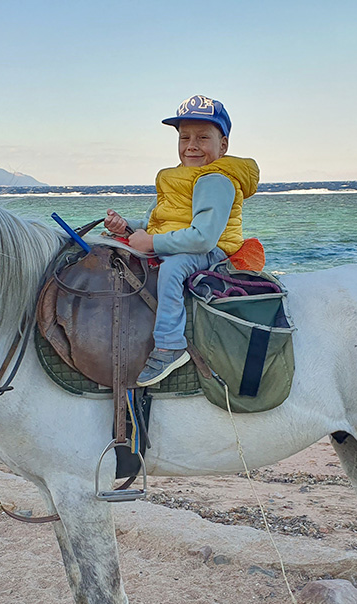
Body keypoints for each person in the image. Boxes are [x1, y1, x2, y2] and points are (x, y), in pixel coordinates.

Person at [104, 94, 259, 387]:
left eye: (203, 137)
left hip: (213, 250)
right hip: (180, 242)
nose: (191, 145)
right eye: (184, 137)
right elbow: (156, 224)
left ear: (222, 145)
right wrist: (125, 227)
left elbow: (203, 238)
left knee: (173, 269)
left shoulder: (216, 180)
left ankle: (169, 345)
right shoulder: (176, 178)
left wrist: (151, 243)